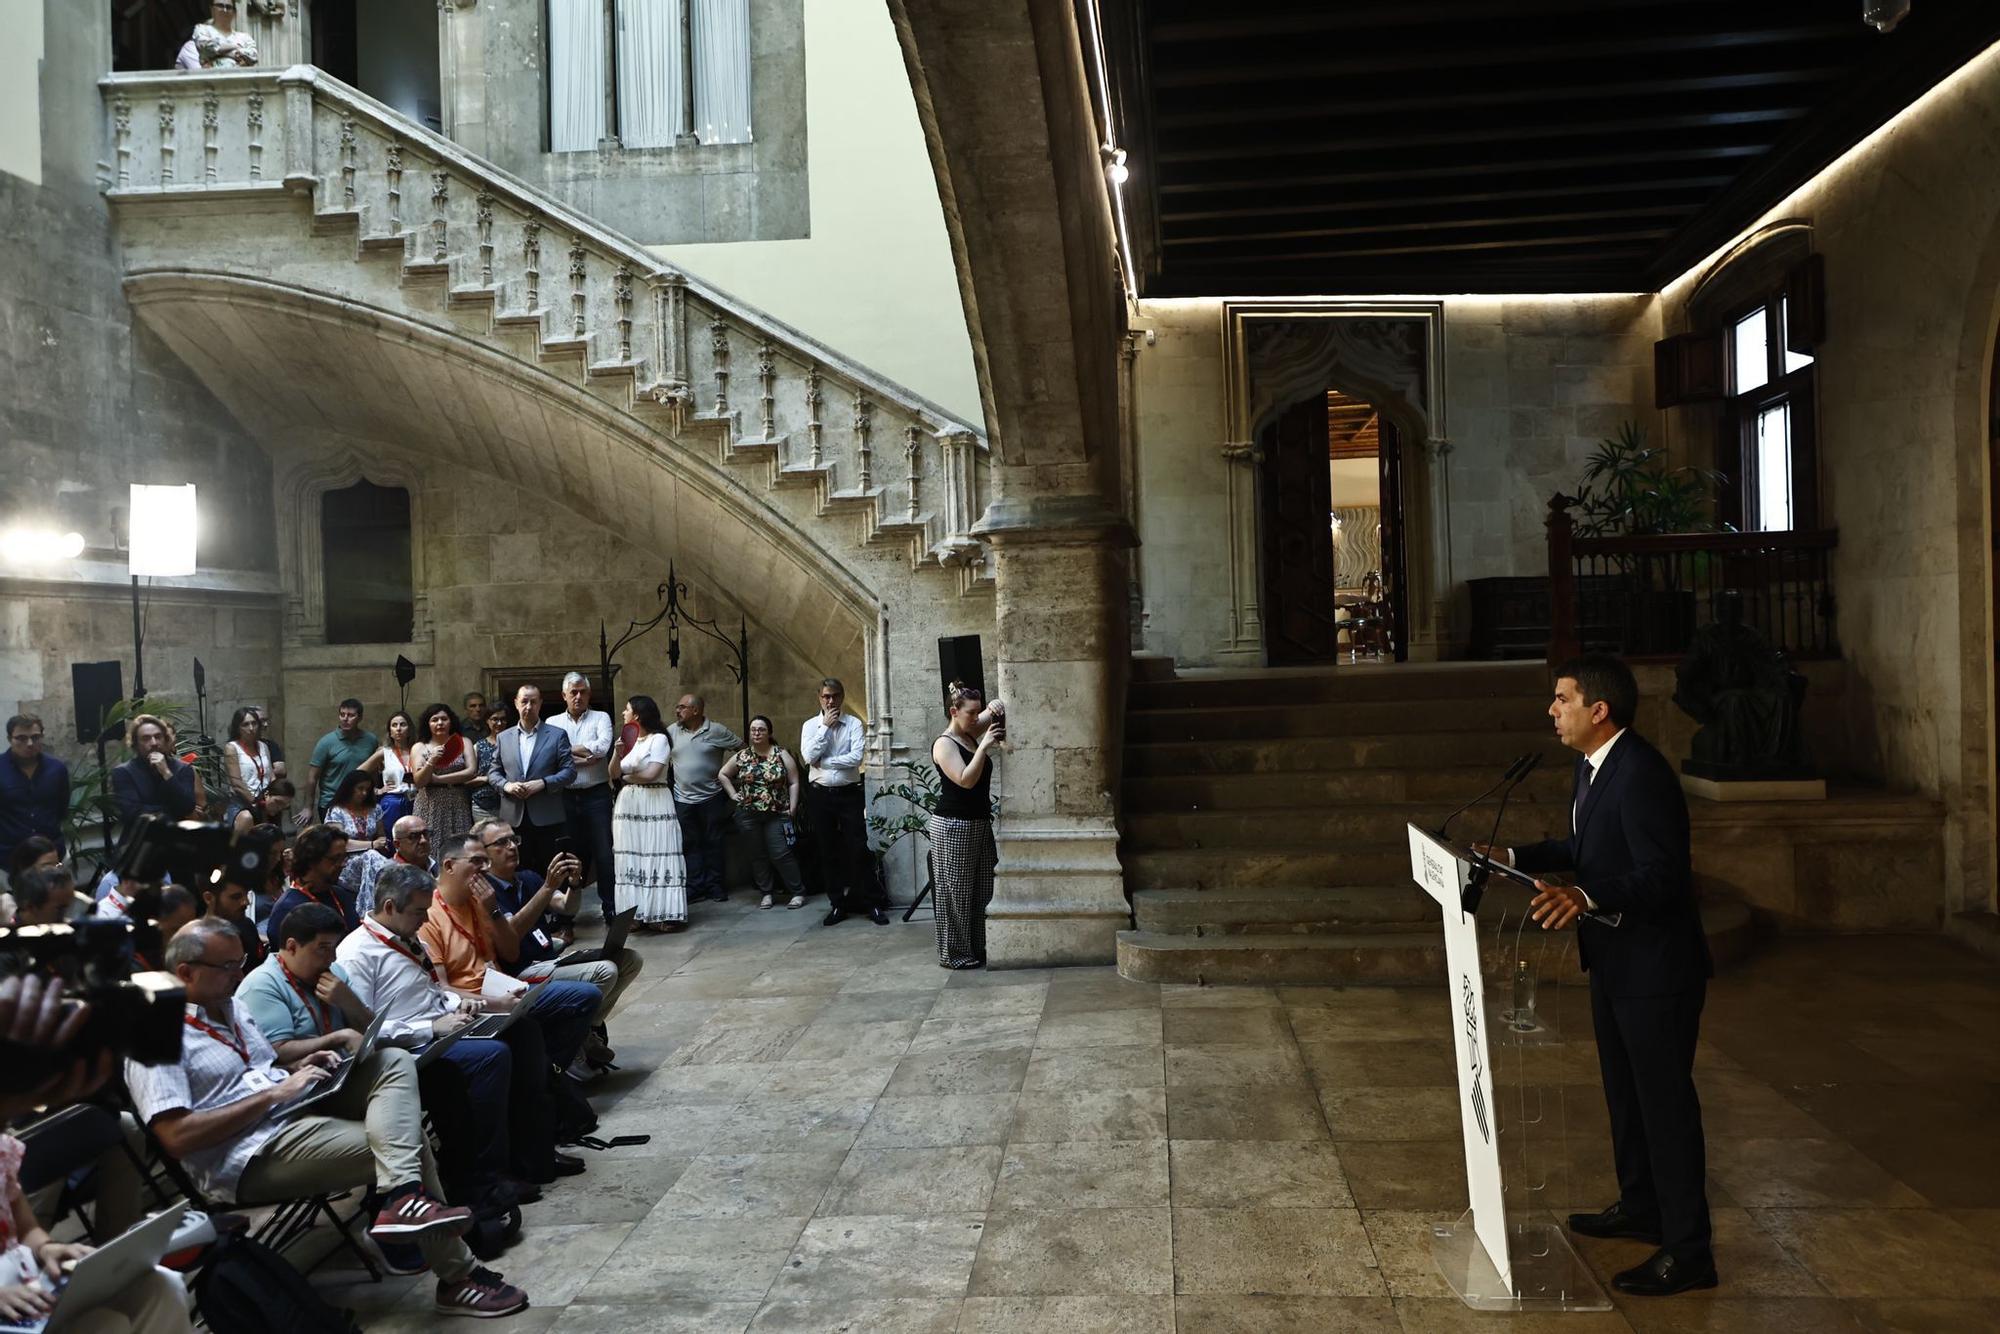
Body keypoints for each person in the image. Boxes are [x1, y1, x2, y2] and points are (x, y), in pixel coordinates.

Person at [127, 919, 528, 1316]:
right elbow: (175, 1137)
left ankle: (404, 1199)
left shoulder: (227, 1005)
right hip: (250, 1154)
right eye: (229, 966)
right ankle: (456, 1273)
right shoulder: (154, 1036)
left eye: (241, 961)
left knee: (391, 1059)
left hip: (294, 1110)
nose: (240, 974)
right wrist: (273, 1093)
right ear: (186, 972)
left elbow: (260, 1062)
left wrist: (302, 1060)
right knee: (407, 1144)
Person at [1491, 654, 1715, 1298]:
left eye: (1562, 699)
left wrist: (1586, 898)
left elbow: (1662, 875)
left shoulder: (1641, 773)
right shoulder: (1594, 767)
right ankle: (1642, 1206)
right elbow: (1584, 849)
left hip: (1657, 970)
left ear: (1600, 710)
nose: (1551, 710)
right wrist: (1509, 856)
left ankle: (1690, 1251)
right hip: (1616, 962)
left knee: (1666, 1108)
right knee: (1626, 1096)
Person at [338, 863, 581, 1190]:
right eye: (419, 912)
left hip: (442, 1025)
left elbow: (432, 991)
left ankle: (533, 1153)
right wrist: (432, 1027)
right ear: (390, 907)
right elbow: (366, 1028)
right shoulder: (357, 954)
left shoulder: (405, 935)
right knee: (491, 1057)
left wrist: (461, 1004)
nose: (425, 920)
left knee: (524, 1031)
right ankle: (490, 1174)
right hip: (410, 1048)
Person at [418, 833, 599, 1072]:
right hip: (471, 1003)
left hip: (505, 987)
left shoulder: (482, 900)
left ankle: (555, 1069)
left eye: (486, 862)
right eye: (476, 862)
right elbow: (442, 989)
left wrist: (493, 910)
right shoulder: (427, 915)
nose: (484, 869)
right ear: (449, 866)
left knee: (587, 995)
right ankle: (551, 1073)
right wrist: (497, 1004)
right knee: (524, 1034)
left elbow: (510, 953)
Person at [474, 819, 639, 1076]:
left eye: (513, 839)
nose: (512, 847)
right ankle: (576, 1042)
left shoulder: (526, 878)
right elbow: (511, 933)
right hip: (520, 972)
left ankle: (586, 1030)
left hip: (550, 960)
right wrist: (548, 886)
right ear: (482, 853)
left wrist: (574, 883)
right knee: (604, 971)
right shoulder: (486, 891)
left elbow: (566, 907)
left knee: (630, 959)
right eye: (501, 843)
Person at [0, 1128, 191, 1333]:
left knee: (161, 1284)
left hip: (26, 1279)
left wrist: (46, 1248)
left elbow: (27, 1229)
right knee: (105, 1325)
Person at [800, 678, 890, 925]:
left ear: (842, 696)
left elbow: (855, 758)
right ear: (819, 697)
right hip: (820, 794)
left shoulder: (853, 724)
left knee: (859, 848)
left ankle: (871, 902)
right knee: (828, 851)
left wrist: (825, 762)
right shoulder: (810, 726)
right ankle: (837, 904)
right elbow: (808, 756)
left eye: (835, 696)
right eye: (826, 696)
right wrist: (825, 728)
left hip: (848, 792)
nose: (831, 701)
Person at [929, 682, 1002, 969]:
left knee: (984, 889)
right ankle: (954, 954)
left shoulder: (969, 729)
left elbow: (994, 711)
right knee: (956, 892)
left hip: (978, 822)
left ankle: (977, 947)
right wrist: (984, 746)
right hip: (953, 825)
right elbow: (965, 780)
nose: (977, 718)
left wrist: (994, 705)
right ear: (953, 711)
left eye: (977, 712)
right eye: (971, 713)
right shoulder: (945, 743)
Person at [613, 695, 687, 931]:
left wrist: (627, 777)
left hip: (654, 800)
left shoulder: (659, 740)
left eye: (626, 710)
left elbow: (652, 774)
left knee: (657, 852)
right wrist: (617, 753)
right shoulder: (628, 740)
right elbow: (612, 773)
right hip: (629, 805)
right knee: (631, 855)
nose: (623, 714)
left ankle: (662, 913)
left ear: (637, 714)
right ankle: (634, 914)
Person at [486, 685, 575, 875]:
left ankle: (551, 905)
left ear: (540, 704)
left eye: (533, 702)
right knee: (516, 870)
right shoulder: (504, 737)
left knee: (551, 871)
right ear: (516, 703)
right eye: (524, 701)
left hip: (547, 816)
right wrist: (506, 785)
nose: (528, 706)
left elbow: (569, 772)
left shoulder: (557, 735)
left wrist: (543, 783)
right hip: (513, 817)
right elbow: (493, 773)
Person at [719, 716, 805, 910]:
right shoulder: (742, 756)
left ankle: (797, 891)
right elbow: (723, 774)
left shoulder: (781, 754)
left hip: (777, 812)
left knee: (780, 853)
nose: (756, 733)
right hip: (748, 813)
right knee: (756, 854)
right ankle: (766, 893)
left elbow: (794, 781)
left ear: (769, 733)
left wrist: (792, 806)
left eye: (761, 730)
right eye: (753, 730)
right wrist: (733, 794)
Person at [549, 673, 616, 920]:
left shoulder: (601, 717)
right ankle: (566, 912)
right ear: (564, 696)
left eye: (583, 692)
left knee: (604, 853)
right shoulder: (552, 721)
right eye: (573, 692)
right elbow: (552, 756)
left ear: (589, 694)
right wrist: (583, 756)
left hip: (597, 794)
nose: (578, 696)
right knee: (570, 854)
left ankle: (610, 907)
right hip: (565, 796)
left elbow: (602, 748)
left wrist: (566, 754)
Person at [668, 695, 742, 905]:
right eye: (678, 706)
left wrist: (730, 776)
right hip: (682, 798)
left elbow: (743, 750)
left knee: (714, 842)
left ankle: (715, 886)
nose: (677, 711)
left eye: (682, 707)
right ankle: (695, 886)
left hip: (711, 797)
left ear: (696, 710)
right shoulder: (672, 731)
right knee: (689, 844)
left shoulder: (716, 730)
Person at [266, 823, 359, 950]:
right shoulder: (288, 909)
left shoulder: (341, 895)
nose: (342, 864)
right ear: (311, 860)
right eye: (335, 859)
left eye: (344, 857)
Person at [0, 713, 68, 875]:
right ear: (10, 739)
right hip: (9, 857)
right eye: (21, 738)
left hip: (51, 853)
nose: (29, 743)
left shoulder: (57, 769)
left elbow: (61, 809)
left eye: (35, 737)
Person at [111, 715, 197, 836]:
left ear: (165, 739)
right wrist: (170, 812)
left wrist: (167, 773)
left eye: (158, 737)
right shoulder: (123, 772)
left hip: (175, 840)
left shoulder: (182, 769)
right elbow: (132, 814)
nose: (154, 743)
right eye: (146, 738)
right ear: (136, 744)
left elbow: (187, 807)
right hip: (140, 842)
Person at [412, 703, 478, 856]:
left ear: (451, 722)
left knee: (460, 848)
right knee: (430, 848)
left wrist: (437, 779)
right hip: (430, 804)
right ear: (427, 724)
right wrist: (432, 760)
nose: (440, 723)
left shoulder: (464, 742)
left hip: (458, 801)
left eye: (444, 719)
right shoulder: (420, 746)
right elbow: (420, 781)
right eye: (434, 720)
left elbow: (471, 772)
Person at [306, 698, 378, 822]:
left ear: (359, 718)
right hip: (332, 801)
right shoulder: (326, 742)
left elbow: (374, 771)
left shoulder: (370, 740)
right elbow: (312, 777)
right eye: (342, 714)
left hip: (361, 800)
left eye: (351, 715)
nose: (345, 719)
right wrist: (308, 807)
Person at [355, 813, 434, 919]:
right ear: (397, 844)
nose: (423, 841)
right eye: (414, 837)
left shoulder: (435, 867)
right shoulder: (388, 874)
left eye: (426, 834)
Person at [360, 710, 419, 831]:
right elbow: (358, 773)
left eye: (403, 724)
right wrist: (376, 791)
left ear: (409, 729)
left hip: (417, 799)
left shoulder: (418, 750)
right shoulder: (384, 753)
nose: (398, 729)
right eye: (394, 725)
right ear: (390, 732)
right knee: (393, 837)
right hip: (393, 801)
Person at [219, 707, 273, 829]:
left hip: (265, 802)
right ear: (238, 728)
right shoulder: (232, 748)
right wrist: (255, 801)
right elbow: (236, 782)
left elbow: (271, 775)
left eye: (254, 723)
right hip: (243, 803)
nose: (251, 728)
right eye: (245, 724)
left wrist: (272, 798)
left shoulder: (263, 746)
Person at [325, 768, 388, 865]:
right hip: (346, 861)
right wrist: (371, 845)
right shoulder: (336, 811)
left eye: (367, 790)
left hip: (373, 858)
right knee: (371, 857)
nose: (364, 793)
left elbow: (381, 835)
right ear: (349, 788)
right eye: (360, 788)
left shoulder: (375, 809)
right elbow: (338, 844)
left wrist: (381, 842)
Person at [470, 705, 511, 820]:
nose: (499, 723)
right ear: (487, 721)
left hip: (511, 805)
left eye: (503, 719)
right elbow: (467, 780)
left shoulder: (516, 744)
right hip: (483, 805)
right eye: (494, 719)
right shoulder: (478, 746)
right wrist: (488, 778)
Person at [190, 1, 257, 68]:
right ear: (212, 9)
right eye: (220, 6)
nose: (225, 10)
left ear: (234, 13)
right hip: (211, 76)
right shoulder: (202, 29)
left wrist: (217, 53)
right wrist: (235, 47)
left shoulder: (245, 37)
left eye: (228, 7)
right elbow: (206, 47)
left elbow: (252, 56)